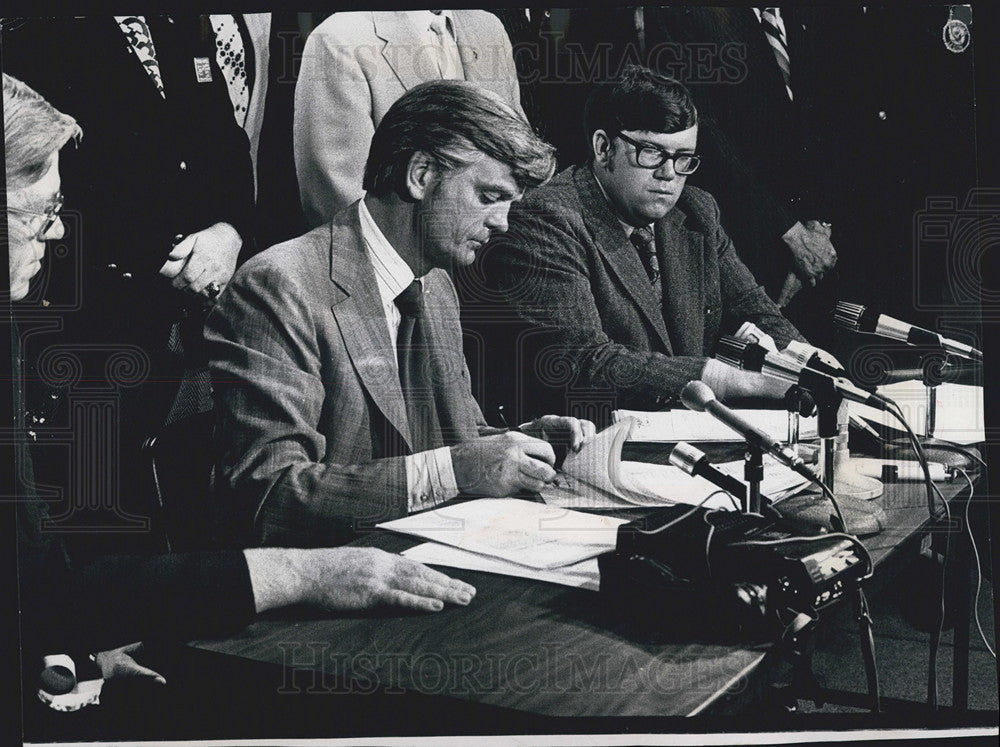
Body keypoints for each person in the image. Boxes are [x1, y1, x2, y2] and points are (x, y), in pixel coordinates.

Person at [5, 70, 476, 715]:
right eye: (41, 213)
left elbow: (37, 580)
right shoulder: (283, 284)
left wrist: (74, 649)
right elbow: (45, 588)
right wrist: (308, 573)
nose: (57, 234)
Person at [206, 79, 594, 549]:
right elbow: (268, 497)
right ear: (421, 174)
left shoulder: (436, 285)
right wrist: (463, 467)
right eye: (490, 197)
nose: (503, 223)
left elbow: (446, 443)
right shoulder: (278, 285)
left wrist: (522, 444)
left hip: (423, 560)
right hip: (324, 592)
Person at [475, 65, 805, 422]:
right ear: (603, 148)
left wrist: (808, 365)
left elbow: (756, 311)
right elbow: (585, 362)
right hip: (584, 445)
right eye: (651, 152)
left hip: (680, 438)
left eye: (683, 158)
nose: (669, 174)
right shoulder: (546, 219)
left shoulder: (696, 211)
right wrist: (729, 380)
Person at [294, 9, 525, 226]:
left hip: (500, 251)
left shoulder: (488, 27)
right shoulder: (339, 39)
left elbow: (522, 162)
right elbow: (344, 207)